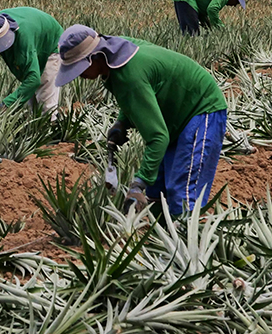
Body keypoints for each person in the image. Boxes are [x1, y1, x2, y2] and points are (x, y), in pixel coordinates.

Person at [55, 24, 227, 215]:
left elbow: (158, 137)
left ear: (94, 57)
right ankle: (161, 237)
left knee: (183, 192)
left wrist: (138, 184)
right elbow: (140, 95)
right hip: (174, 111)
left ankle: (186, 238)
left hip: (202, 108)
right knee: (157, 193)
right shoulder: (116, 53)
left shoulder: (129, 75)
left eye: (79, 68)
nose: (79, 76)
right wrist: (123, 121)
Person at [0, 7, 64, 117]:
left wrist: (7, 104)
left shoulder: (23, 39)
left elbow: (33, 79)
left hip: (52, 43)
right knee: (32, 105)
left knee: (45, 100)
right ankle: (35, 125)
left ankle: (52, 123)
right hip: (34, 32)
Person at [171, 0, 248, 36]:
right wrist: (220, 27)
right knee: (191, 33)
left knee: (192, 31)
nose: (234, 5)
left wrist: (209, 27)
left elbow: (203, 13)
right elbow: (212, 9)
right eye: (237, 2)